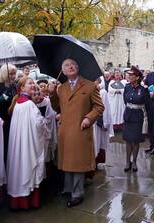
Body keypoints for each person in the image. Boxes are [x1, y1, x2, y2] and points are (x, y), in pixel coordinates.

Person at [48, 59, 104, 207]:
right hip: (65, 131)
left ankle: (77, 194)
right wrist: (52, 93)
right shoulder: (61, 88)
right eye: (66, 65)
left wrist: (88, 118)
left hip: (80, 130)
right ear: (64, 71)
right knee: (67, 162)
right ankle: (68, 189)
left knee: (77, 164)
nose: (70, 67)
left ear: (77, 68)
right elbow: (56, 108)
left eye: (73, 64)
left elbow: (99, 107)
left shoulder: (90, 86)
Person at [7, 77, 46, 210]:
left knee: (20, 167)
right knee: (28, 167)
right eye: (30, 83)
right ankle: (29, 201)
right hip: (28, 143)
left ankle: (18, 202)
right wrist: (43, 120)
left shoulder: (18, 102)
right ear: (22, 88)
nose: (33, 85)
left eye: (33, 83)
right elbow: (38, 124)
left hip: (20, 143)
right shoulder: (29, 104)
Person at [122, 66, 149, 172]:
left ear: (137, 77)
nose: (129, 76)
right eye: (129, 75)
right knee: (128, 140)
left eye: (131, 75)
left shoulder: (143, 89)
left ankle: (134, 162)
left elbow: (147, 104)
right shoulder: (127, 87)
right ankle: (127, 162)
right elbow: (125, 100)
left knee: (136, 141)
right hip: (128, 115)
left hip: (138, 117)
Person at [0, 64, 17, 161]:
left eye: (14, 74)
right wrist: (6, 94)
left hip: (15, 119)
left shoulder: (15, 86)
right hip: (4, 121)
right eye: (10, 74)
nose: (13, 76)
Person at [93, 79, 114, 170]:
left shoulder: (102, 92)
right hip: (91, 121)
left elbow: (105, 108)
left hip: (99, 121)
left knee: (99, 141)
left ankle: (98, 162)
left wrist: (105, 123)